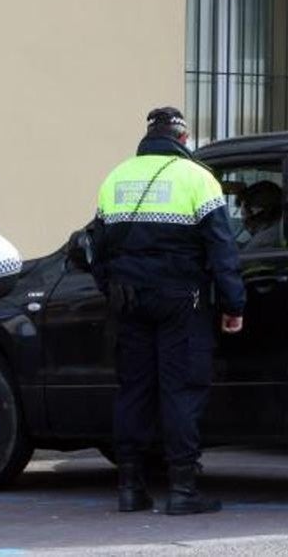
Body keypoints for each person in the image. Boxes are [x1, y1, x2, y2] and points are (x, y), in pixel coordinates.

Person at [89, 106, 246, 516]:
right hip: (180, 301)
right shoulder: (198, 178)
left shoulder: (116, 177)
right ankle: (183, 491)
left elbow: (97, 249)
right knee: (181, 390)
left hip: (128, 301)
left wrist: (112, 289)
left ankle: (129, 488)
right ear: (182, 138)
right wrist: (234, 303)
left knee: (134, 391)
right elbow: (221, 247)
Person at [237, 180, 284, 250]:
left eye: (245, 206)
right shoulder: (270, 228)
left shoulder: (264, 239)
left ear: (258, 209)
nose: (241, 212)